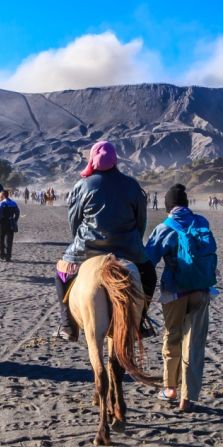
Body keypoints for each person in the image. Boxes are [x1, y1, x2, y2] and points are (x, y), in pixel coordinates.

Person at [55, 141, 156, 342]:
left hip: (87, 249)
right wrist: (136, 243)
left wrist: (78, 242)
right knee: (149, 276)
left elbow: (74, 222)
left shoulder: (81, 185)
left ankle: (68, 325)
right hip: (128, 249)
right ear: (115, 160)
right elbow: (141, 221)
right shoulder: (132, 185)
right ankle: (140, 320)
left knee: (60, 273)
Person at [143, 184, 217, 413]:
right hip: (202, 290)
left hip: (174, 292)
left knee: (173, 336)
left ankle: (170, 388)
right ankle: (188, 398)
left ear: (168, 207)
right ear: (186, 204)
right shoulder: (202, 222)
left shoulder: (165, 227)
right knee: (194, 342)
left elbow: (149, 262)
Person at [0, 190, 20, 262]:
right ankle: (8, 256)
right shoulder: (13, 203)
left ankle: (2, 254)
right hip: (11, 222)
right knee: (9, 240)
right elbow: (17, 213)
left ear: (3, 196)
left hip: (2, 223)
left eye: (0, 196)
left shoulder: (1, 203)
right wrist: (15, 220)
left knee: (1, 239)